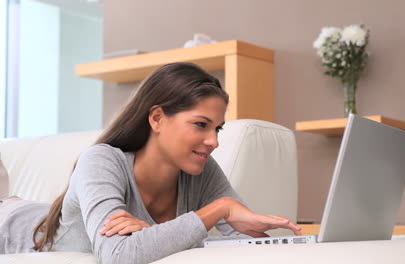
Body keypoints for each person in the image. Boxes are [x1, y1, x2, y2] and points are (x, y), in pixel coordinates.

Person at [0, 62, 302, 263]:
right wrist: (217, 210)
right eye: (201, 125)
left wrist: (150, 236)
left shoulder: (200, 169)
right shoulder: (101, 160)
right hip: (12, 224)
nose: (214, 141)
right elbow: (117, 254)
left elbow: (242, 248)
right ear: (157, 118)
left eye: (217, 128)